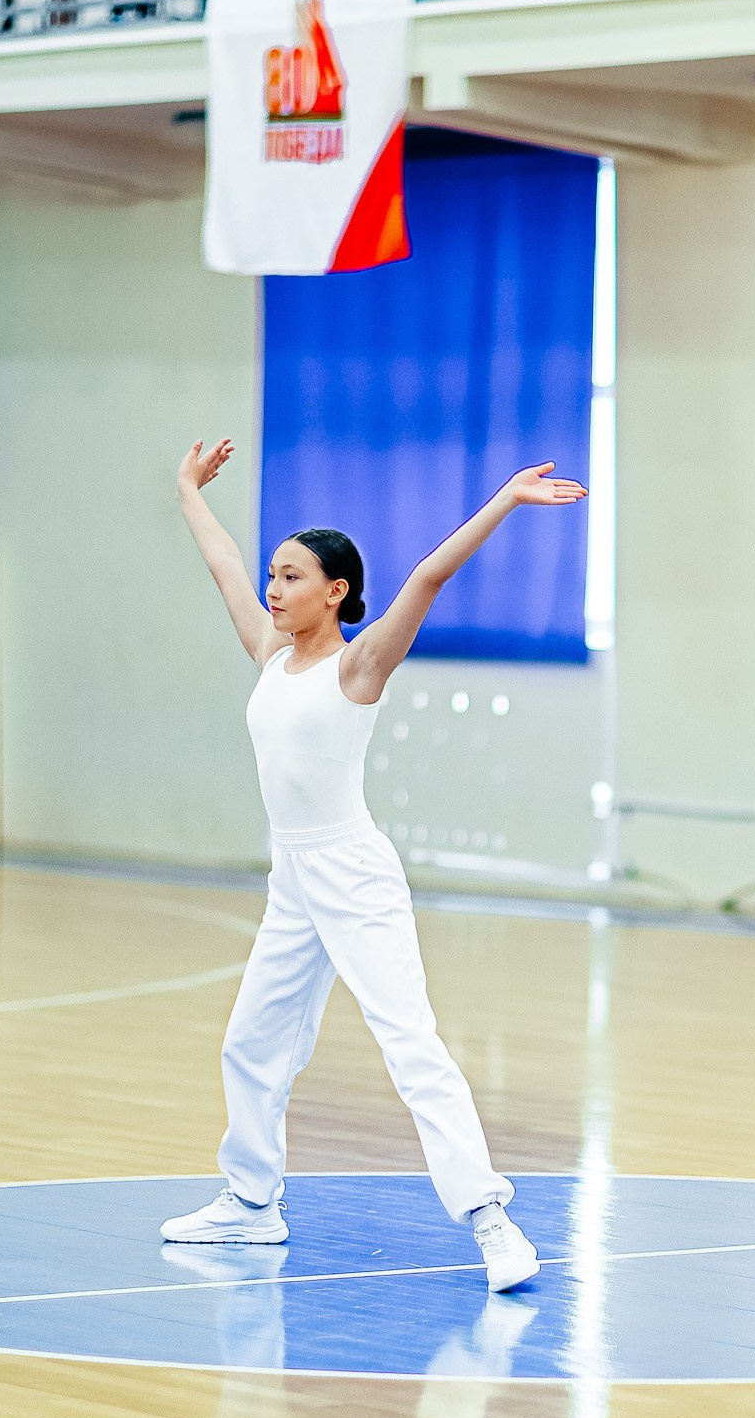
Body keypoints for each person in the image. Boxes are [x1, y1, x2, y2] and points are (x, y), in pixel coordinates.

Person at [156, 436, 585, 1291]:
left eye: (291, 577)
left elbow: (428, 576)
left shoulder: (359, 666)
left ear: (336, 590)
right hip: (292, 878)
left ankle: (492, 1221)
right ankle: (252, 1203)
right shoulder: (270, 653)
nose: (273, 589)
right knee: (250, 1042)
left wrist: (505, 500)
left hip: (353, 873)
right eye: (273, 575)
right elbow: (222, 562)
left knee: (409, 1043)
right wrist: (188, 491)